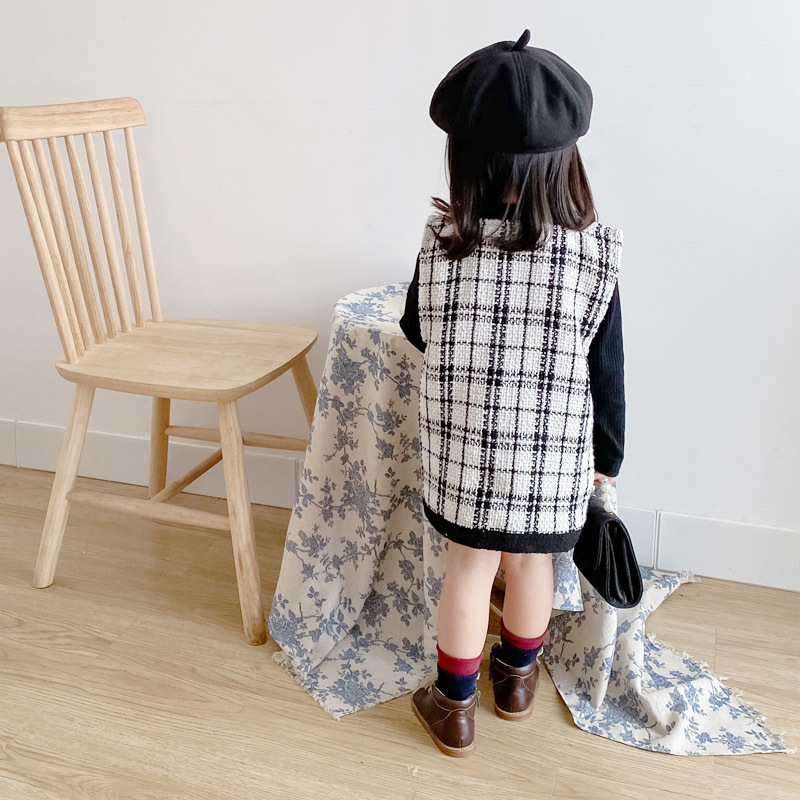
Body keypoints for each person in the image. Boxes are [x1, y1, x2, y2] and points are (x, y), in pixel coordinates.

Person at [399, 30, 625, 757]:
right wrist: (608, 459)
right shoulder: (595, 252)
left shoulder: (442, 239)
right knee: (533, 565)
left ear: (463, 157)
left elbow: (416, 329)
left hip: (465, 446)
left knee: (469, 569)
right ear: (567, 160)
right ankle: (518, 682)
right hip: (552, 453)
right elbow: (608, 369)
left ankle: (453, 706)